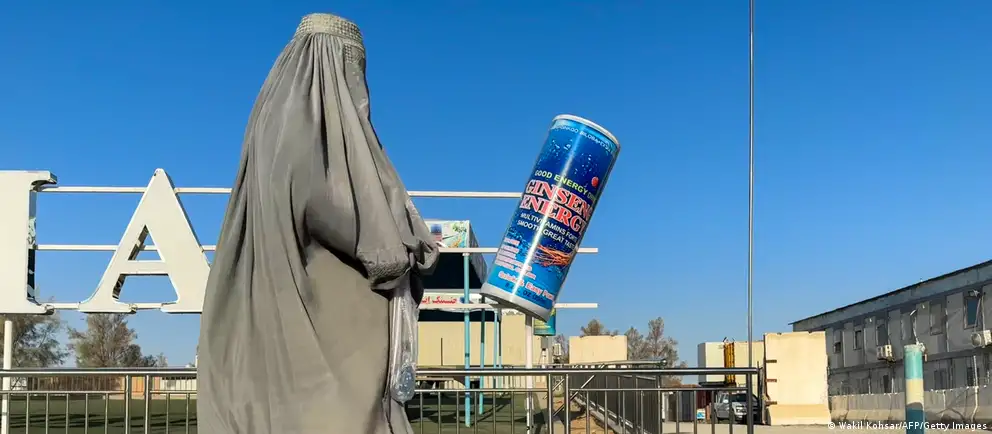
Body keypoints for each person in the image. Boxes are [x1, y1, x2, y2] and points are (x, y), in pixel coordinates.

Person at [197, 13, 438, 434]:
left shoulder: (269, 131)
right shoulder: (313, 142)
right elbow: (377, 245)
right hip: (330, 376)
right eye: (353, 68)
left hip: (272, 363)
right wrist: (419, 247)